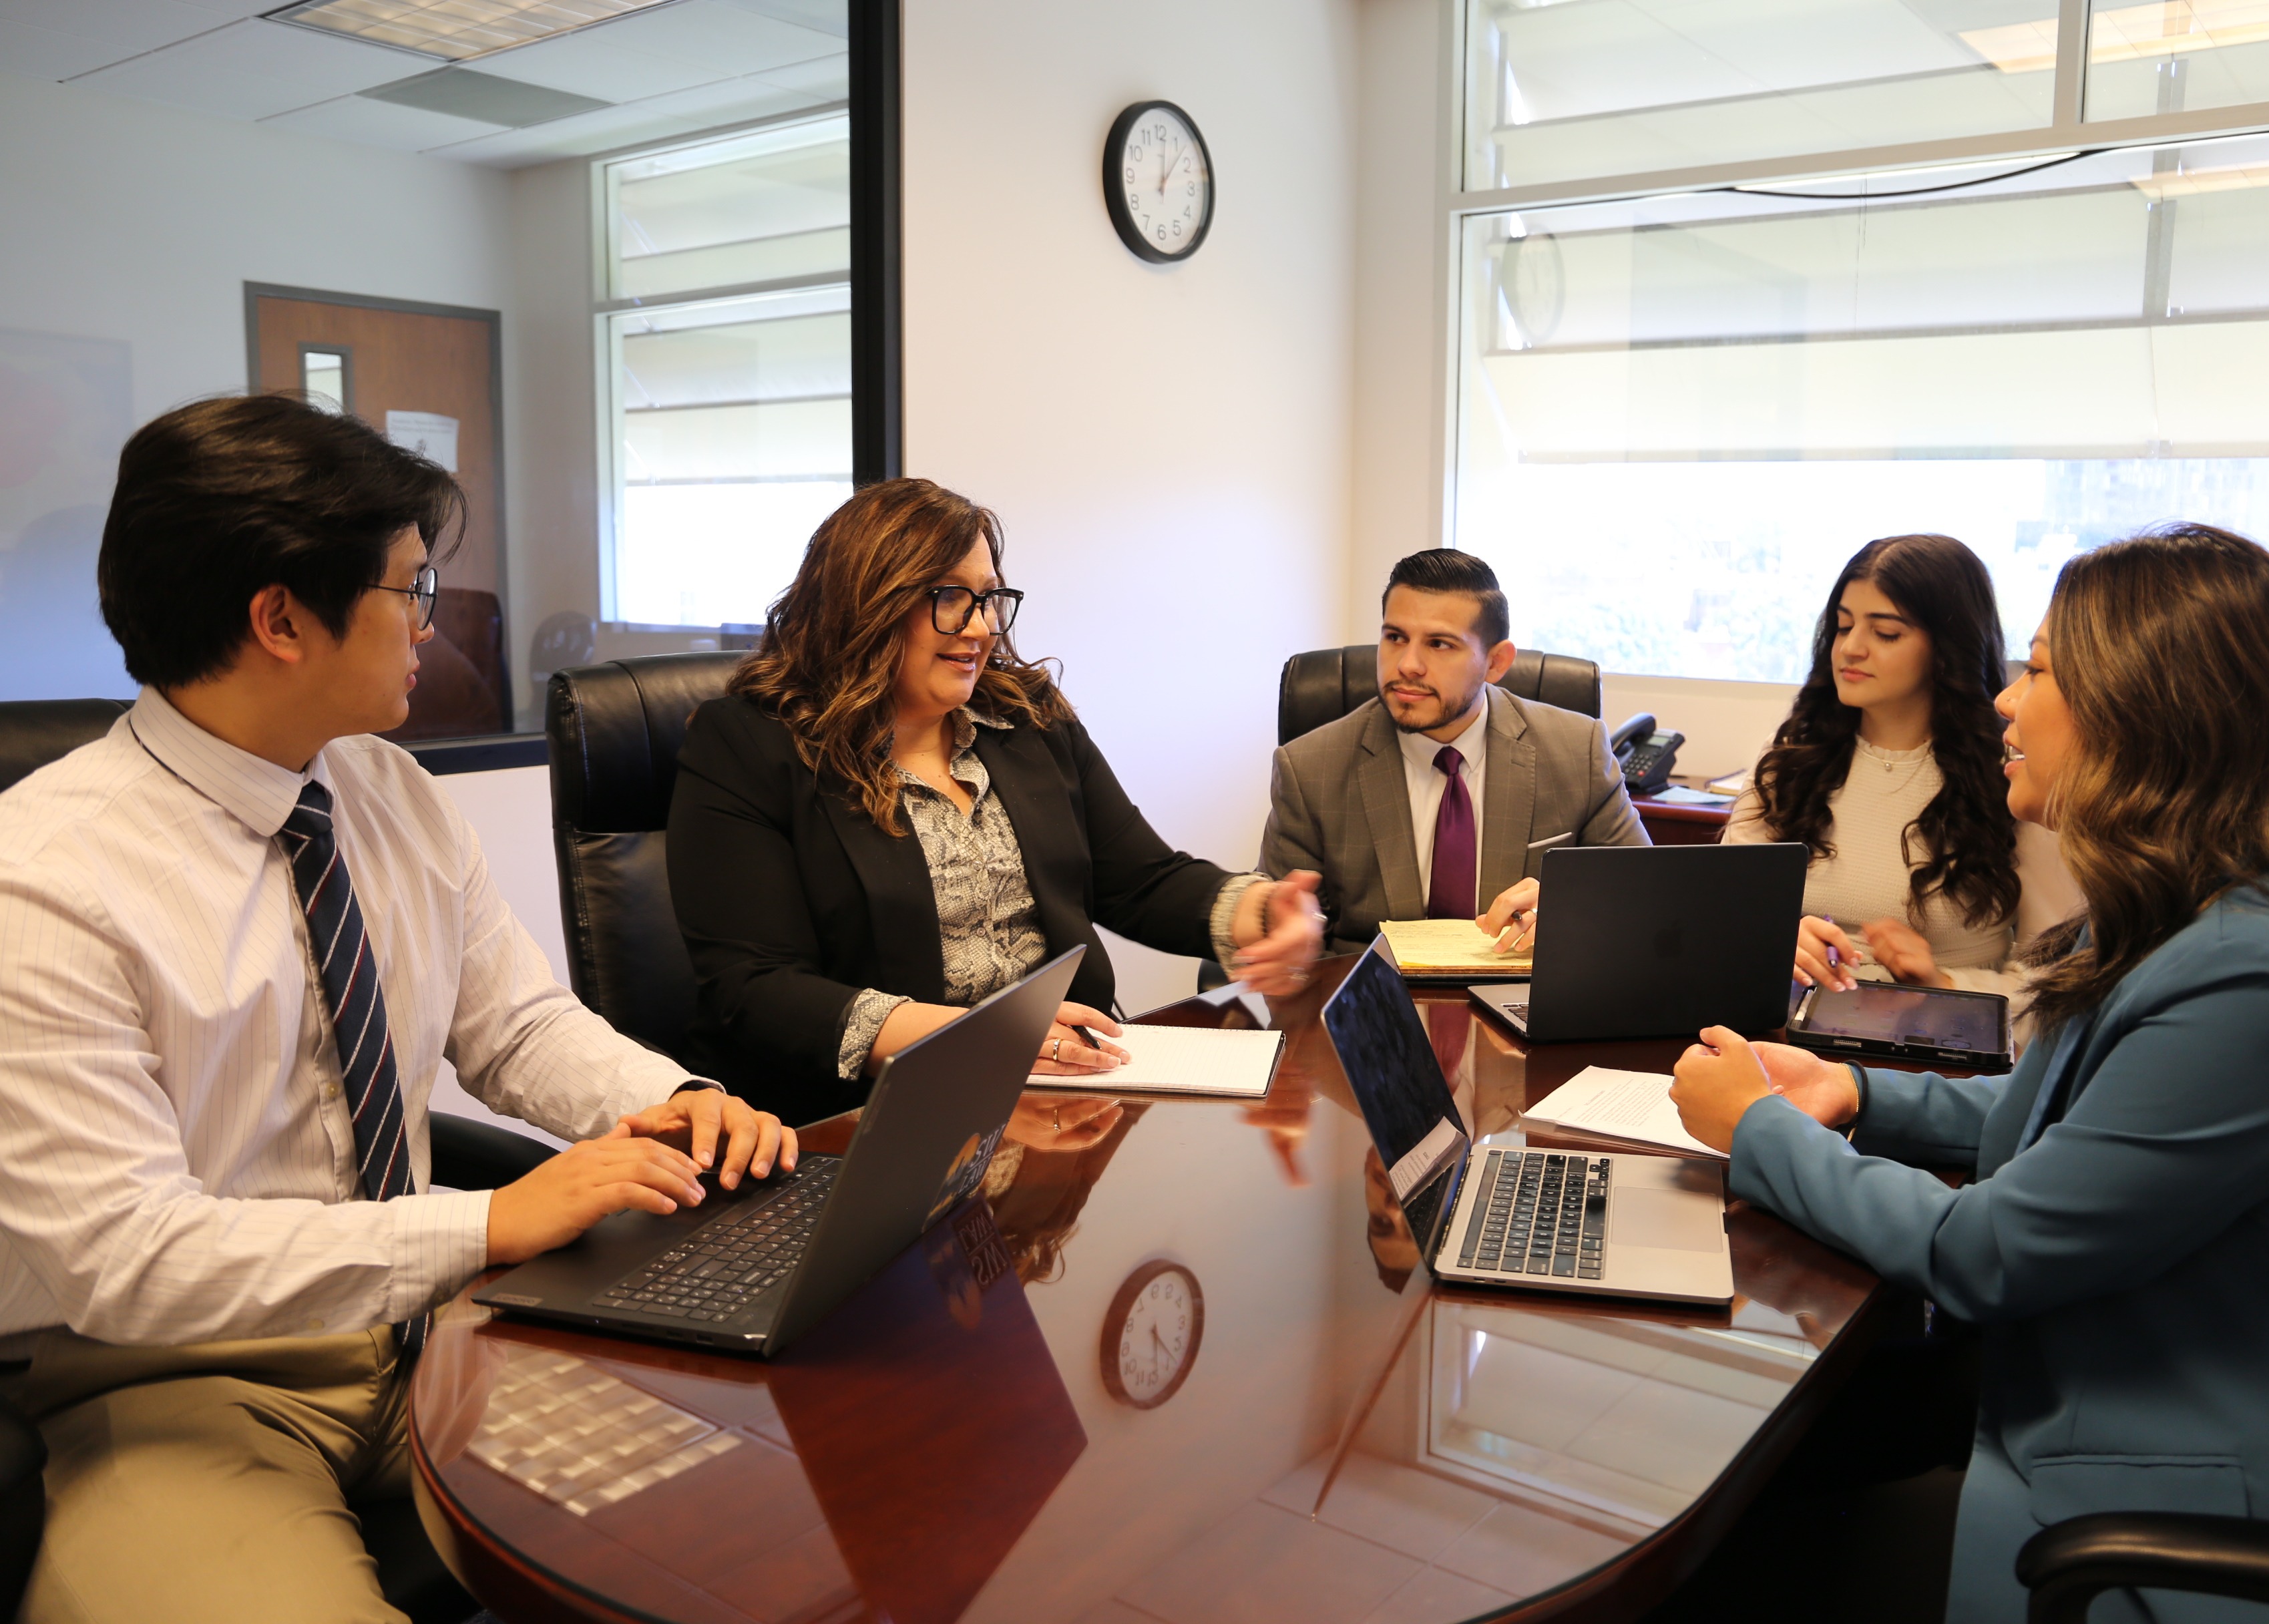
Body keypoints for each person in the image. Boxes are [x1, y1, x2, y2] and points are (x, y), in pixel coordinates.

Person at [0, 394, 796, 1624]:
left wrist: (676, 1102)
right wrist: (488, 1224)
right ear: (279, 617)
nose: (435, 624)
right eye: (411, 591)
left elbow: (518, 1025)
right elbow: (127, 1260)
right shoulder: (43, 879)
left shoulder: (384, 789)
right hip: (180, 1376)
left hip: (436, 1329)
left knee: (761, 1525)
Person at [1671, 524, 2269, 1623]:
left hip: (2201, 1519)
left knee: (1727, 1552)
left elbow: (1982, 1253)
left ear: (2147, 711)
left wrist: (1757, 1127)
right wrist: (1858, 1094)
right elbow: (2088, 1118)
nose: (2002, 704)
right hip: (2106, 1413)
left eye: (2037, 671)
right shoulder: (2211, 917)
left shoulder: (2262, 978)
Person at [666, 477, 1323, 1122]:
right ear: (865, 601)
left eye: (990, 598)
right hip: (873, 1120)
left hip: (1064, 1099)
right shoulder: (749, 746)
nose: (981, 626)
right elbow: (754, 986)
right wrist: (988, 1034)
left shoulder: (1024, 719)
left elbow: (1140, 880)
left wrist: (1266, 910)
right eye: (951, 597)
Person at [1724, 533, 2075, 1000]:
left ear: (1947, 650)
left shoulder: (2016, 773)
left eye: (1886, 633)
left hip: (1940, 1045)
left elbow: (2055, 988)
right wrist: (1775, 938)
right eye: (1844, 627)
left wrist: (1941, 982)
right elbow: (1724, 915)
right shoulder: (1792, 754)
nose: (1851, 649)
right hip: (1788, 1026)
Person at [1261, 548, 1647, 955]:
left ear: (1496, 663)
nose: (1408, 665)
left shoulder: (1576, 751)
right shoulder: (1309, 768)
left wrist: (1573, 912)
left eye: (1440, 644)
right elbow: (1283, 940)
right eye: (1395, 638)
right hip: (1374, 1003)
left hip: (1523, 1004)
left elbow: (1646, 902)